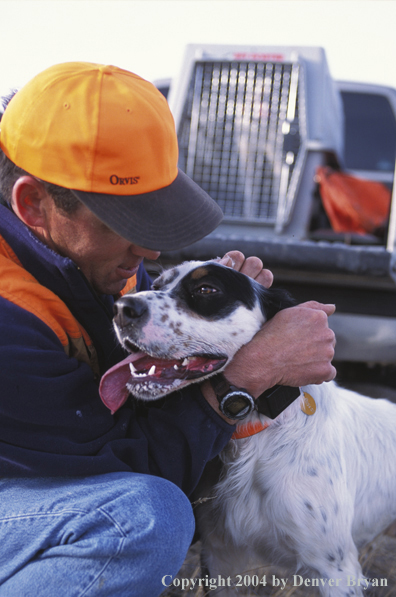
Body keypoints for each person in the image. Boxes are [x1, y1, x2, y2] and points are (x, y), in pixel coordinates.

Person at [0, 62, 336, 596]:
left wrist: (230, 332)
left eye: (154, 214)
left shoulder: (93, 258)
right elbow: (131, 464)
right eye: (124, 223)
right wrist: (250, 371)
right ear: (33, 205)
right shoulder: (8, 315)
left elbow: (157, 405)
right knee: (140, 518)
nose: (149, 251)